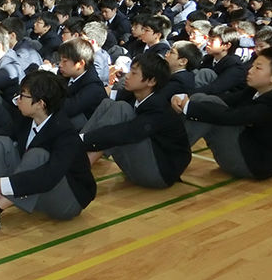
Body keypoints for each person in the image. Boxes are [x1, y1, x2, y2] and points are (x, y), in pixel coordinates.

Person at [0, 71, 96, 239]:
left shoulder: (64, 132)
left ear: (40, 104)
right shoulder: (25, 118)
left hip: (67, 200)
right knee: (0, 142)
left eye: (23, 96)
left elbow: (49, 177)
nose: (17, 99)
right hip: (35, 192)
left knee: (37, 155)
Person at [173, 49, 272, 179]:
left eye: (258, 68)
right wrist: (186, 99)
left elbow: (234, 116)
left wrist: (189, 106)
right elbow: (227, 100)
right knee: (202, 100)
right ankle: (171, 150)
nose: (250, 70)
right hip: (245, 148)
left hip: (253, 164)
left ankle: (169, 154)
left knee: (205, 106)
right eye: (252, 65)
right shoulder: (256, 89)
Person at [81, 53, 191, 188]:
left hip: (159, 173)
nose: (127, 76)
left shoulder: (158, 107)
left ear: (151, 81)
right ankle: (75, 153)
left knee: (120, 110)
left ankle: (79, 168)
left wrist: (84, 138)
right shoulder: (136, 96)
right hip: (145, 165)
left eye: (134, 73)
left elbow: (128, 132)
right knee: (107, 103)